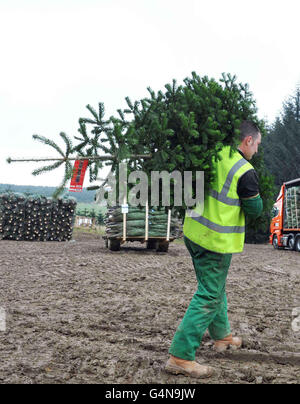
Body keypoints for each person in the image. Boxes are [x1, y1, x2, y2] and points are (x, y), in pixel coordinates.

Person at [165, 121, 263, 378]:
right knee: (209, 293)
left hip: (194, 233)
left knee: (214, 287)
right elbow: (254, 210)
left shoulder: (212, 153)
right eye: (257, 145)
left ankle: (222, 337)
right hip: (216, 242)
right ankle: (180, 356)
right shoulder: (245, 170)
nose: (257, 151)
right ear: (248, 141)